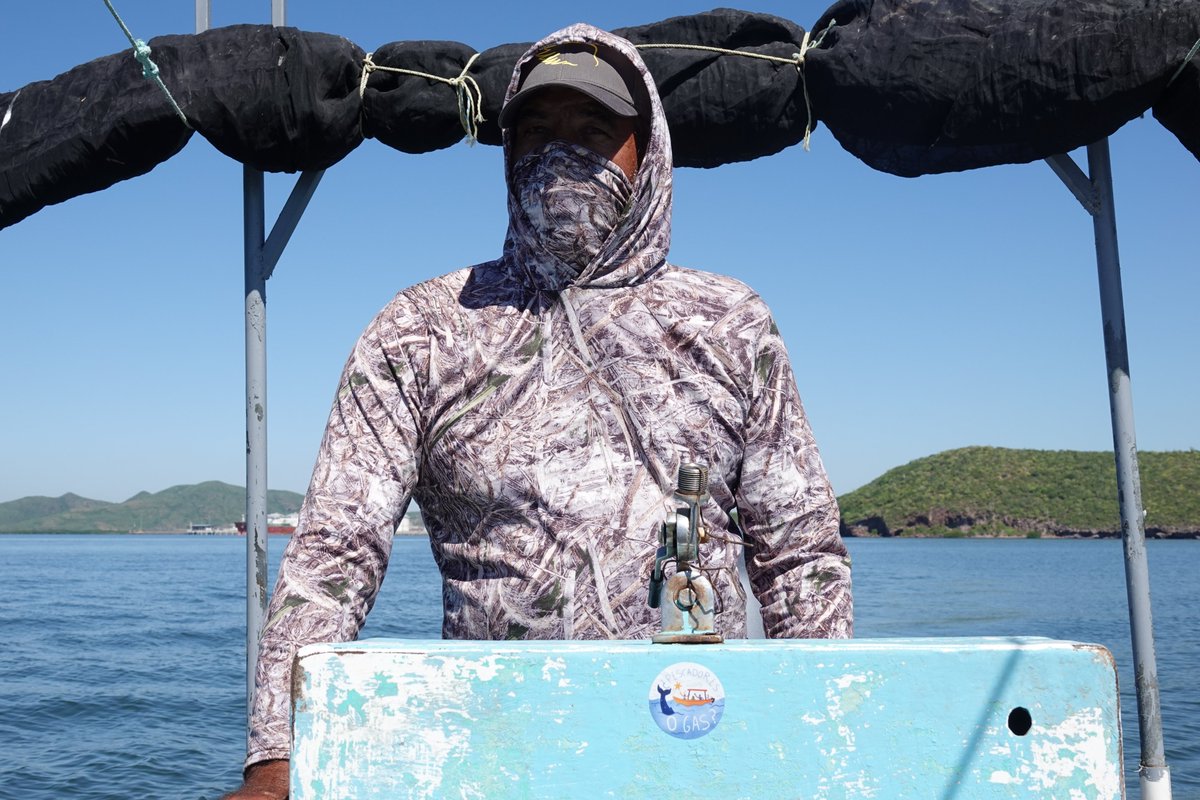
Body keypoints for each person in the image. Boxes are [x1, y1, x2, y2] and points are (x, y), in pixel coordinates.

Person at [223, 22, 852, 799]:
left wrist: (829, 742)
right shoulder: (421, 329)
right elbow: (332, 557)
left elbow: (799, 557)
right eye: (538, 132)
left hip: (701, 752)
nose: (563, 157)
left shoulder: (730, 323)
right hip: (491, 756)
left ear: (647, 154)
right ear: (508, 153)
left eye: (595, 131)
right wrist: (276, 761)